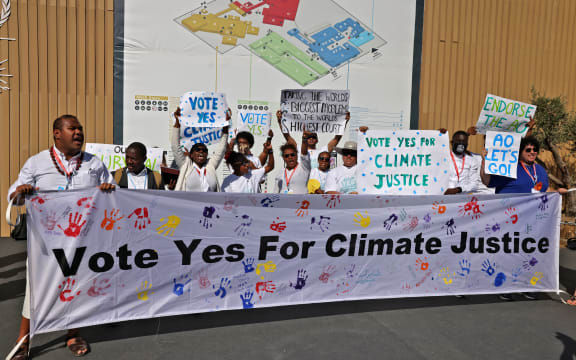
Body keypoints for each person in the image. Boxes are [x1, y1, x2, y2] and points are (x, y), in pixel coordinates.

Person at [7, 115, 115, 359]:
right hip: (46, 244)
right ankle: (23, 340)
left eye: (80, 129)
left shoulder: (94, 164)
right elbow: (13, 196)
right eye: (72, 128)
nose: (78, 133)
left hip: (82, 243)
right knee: (35, 289)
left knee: (76, 287)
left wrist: (109, 191)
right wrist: (21, 192)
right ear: (57, 133)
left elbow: (111, 194)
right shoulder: (36, 163)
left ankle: (73, 333)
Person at [481, 135, 566, 301]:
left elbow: (541, 193)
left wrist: (556, 192)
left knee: (528, 253)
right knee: (508, 252)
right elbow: (487, 181)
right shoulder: (509, 168)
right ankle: (504, 285)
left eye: (535, 150)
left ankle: (526, 285)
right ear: (520, 152)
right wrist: (484, 161)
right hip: (509, 219)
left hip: (533, 220)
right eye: (528, 150)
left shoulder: (540, 170)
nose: (532, 152)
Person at [170, 107, 230, 192]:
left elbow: (222, 148)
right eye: (197, 150)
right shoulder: (185, 165)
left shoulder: (210, 166)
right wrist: (177, 123)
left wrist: (225, 124)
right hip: (188, 205)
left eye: (204, 150)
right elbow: (175, 146)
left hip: (210, 205)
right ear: (191, 155)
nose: (201, 151)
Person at [276, 110, 350, 169]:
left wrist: (345, 122)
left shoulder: (323, 151)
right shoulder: (298, 149)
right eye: (308, 137)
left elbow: (336, 139)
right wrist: (280, 121)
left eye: (313, 137)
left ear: (317, 140)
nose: (311, 138)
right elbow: (287, 136)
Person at [443, 130, 493, 195]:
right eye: (458, 141)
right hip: (442, 197)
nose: (461, 144)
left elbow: (474, 185)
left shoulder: (471, 160)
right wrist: (438, 135)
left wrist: (458, 190)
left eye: (464, 142)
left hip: (461, 200)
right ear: (452, 143)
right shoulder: (442, 157)